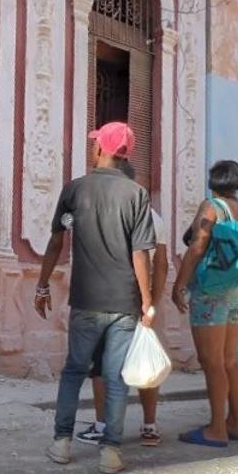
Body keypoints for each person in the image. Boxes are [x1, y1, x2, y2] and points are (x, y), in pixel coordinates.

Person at [36, 122, 157, 474]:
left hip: (85, 300)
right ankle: (110, 453)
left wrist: (42, 285)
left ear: (100, 149)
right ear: (125, 154)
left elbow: (56, 241)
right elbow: (141, 254)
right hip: (124, 303)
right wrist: (147, 303)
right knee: (116, 376)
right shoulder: (137, 195)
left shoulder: (75, 189)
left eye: (95, 144)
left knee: (74, 371)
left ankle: (61, 443)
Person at [75, 159, 168, 448]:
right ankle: (149, 427)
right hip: (142, 302)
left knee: (103, 366)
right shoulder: (155, 217)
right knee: (145, 359)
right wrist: (153, 301)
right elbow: (162, 265)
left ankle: (103, 426)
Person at [170, 160, 238, 447]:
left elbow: (197, 245)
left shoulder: (211, 207)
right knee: (230, 359)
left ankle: (216, 429)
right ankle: (235, 422)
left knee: (212, 361)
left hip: (210, 290)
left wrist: (180, 283)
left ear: (212, 182)